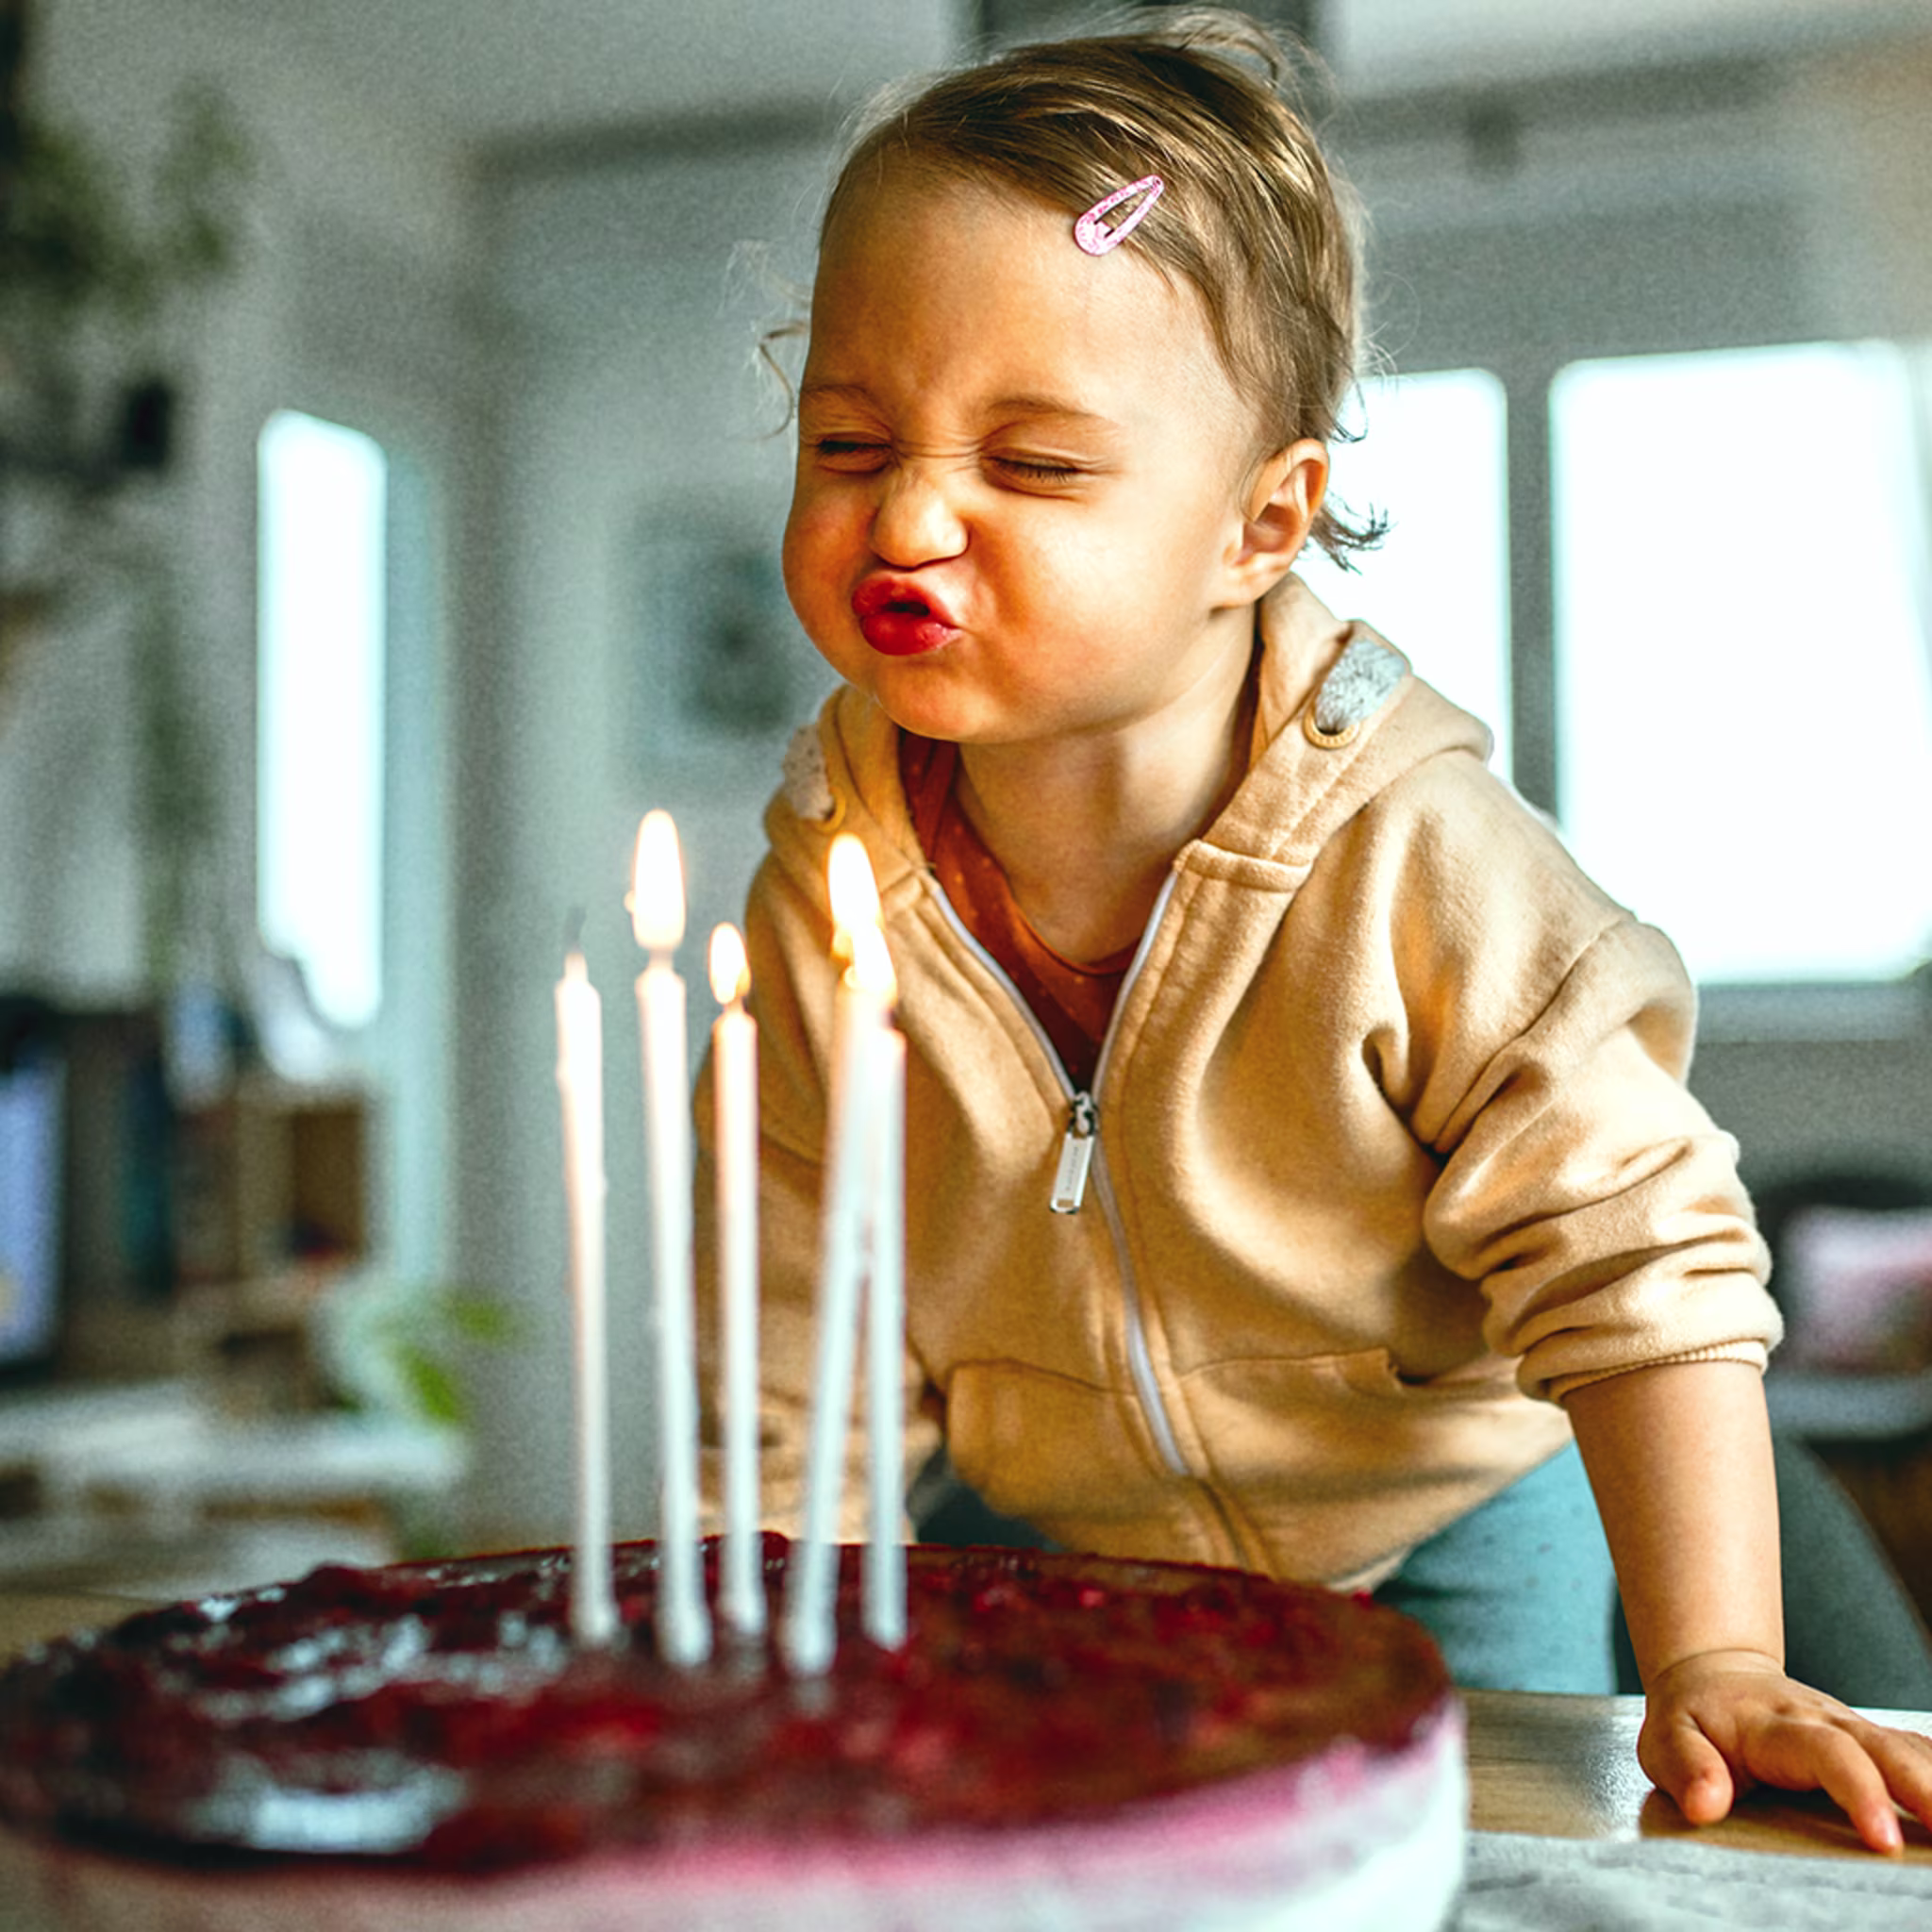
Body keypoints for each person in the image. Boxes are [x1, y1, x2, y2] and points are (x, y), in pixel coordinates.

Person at [693, 5, 1932, 1851]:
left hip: (1452, 1526)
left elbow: (1643, 1265)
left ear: (1258, 526)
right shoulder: (825, 900)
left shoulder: (1416, 856)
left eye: (1031, 464)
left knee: (1479, 1870)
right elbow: (799, 1334)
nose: (914, 510)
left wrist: (1720, 1660)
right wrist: (768, 1663)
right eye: (852, 436)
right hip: (1072, 1555)